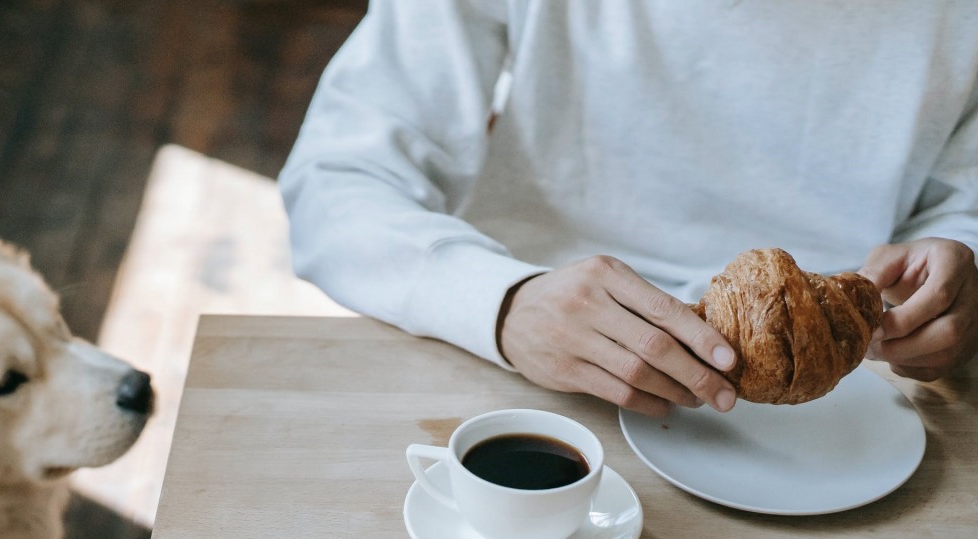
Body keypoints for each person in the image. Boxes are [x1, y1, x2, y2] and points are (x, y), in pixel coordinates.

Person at [279, 1, 978, 417]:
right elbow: (338, 174)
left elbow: (965, 200)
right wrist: (502, 303)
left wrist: (957, 265)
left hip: (858, 408)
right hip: (523, 369)